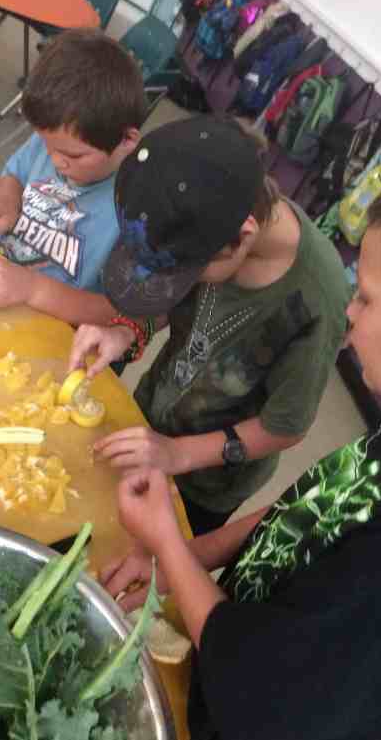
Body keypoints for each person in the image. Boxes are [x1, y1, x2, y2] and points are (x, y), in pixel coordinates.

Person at [100, 145, 381, 740]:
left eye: (368, 297)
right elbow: (307, 513)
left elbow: (255, 687)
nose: (349, 314)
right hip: (214, 659)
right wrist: (185, 557)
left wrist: (166, 538)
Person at [67, 115, 351, 534]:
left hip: (205, 484)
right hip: (148, 421)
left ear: (242, 237)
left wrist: (177, 455)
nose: (181, 283)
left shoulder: (317, 298)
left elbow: (284, 426)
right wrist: (125, 330)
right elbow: (169, 300)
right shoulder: (199, 211)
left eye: (187, 273)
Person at [0, 29, 146, 326]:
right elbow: (15, 174)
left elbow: (116, 312)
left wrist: (31, 288)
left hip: (50, 334)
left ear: (127, 140)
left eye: (73, 156)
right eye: (46, 144)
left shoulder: (138, 207)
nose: (55, 160)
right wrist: (6, 201)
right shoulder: (58, 140)